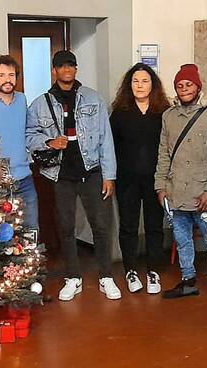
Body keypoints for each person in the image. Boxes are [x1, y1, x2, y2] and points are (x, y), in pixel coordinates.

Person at [26, 50, 120, 301]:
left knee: (101, 225)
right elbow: (28, 136)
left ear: (76, 70)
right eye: (62, 66)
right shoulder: (40, 103)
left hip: (92, 173)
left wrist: (109, 175)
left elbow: (105, 139)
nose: (67, 70)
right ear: (54, 71)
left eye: (71, 66)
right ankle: (73, 277)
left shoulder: (93, 99)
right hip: (59, 176)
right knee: (65, 228)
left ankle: (106, 277)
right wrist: (48, 141)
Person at [154, 64, 207, 309]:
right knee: (183, 240)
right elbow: (163, 155)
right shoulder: (169, 116)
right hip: (176, 192)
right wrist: (160, 187)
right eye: (180, 85)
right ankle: (188, 280)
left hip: (203, 195)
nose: (184, 89)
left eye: (189, 84)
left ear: (198, 86)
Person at [110, 62, 170, 294]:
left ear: (152, 84)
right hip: (127, 181)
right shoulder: (119, 113)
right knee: (128, 227)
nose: (140, 85)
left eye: (145, 81)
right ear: (129, 85)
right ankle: (131, 270)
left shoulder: (163, 112)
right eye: (135, 81)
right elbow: (111, 148)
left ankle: (153, 271)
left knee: (155, 227)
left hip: (156, 181)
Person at [0, 55, 39, 231]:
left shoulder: (22, 99)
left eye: (11, 75)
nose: (7, 80)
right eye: (2, 75)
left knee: (31, 228)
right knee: (0, 232)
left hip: (23, 176)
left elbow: (28, 131)